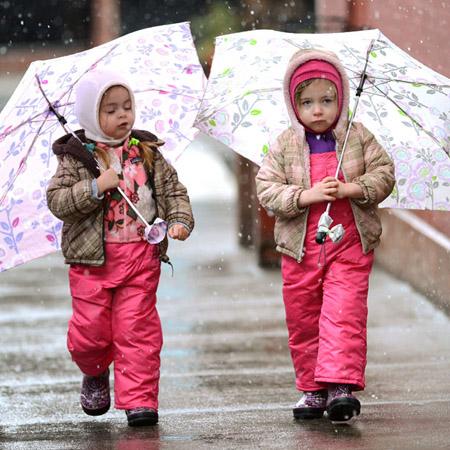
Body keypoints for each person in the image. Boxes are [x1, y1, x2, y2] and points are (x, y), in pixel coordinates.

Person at [46, 69, 194, 427]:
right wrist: (95, 187)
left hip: (140, 258)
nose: (122, 115)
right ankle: (95, 371)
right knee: (90, 335)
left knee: (137, 331)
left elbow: (173, 191)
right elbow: (58, 201)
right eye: (110, 109)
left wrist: (179, 220)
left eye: (127, 106)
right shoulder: (77, 157)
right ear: (90, 115)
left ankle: (140, 401)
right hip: (92, 262)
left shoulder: (146, 152)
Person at [255, 49, 395, 423]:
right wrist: (304, 195)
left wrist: (353, 189)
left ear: (342, 99)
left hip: (349, 244)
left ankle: (340, 386)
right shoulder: (285, 145)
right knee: (304, 317)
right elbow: (267, 190)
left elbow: (384, 175)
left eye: (327, 100)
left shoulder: (356, 137)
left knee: (343, 313)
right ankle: (312, 388)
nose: (318, 110)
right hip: (300, 249)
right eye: (308, 102)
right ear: (293, 104)